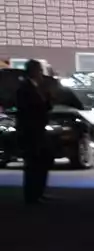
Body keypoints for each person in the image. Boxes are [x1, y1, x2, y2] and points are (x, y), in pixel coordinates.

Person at [12, 60, 53, 206]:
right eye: (39, 70)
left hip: (38, 130)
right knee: (33, 164)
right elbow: (28, 110)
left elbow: (45, 106)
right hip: (30, 132)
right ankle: (31, 195)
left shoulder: (38, 87)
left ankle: (38, 192)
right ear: (33, 71)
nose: (41, 73)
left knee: (42, 162)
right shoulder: (25, 89)